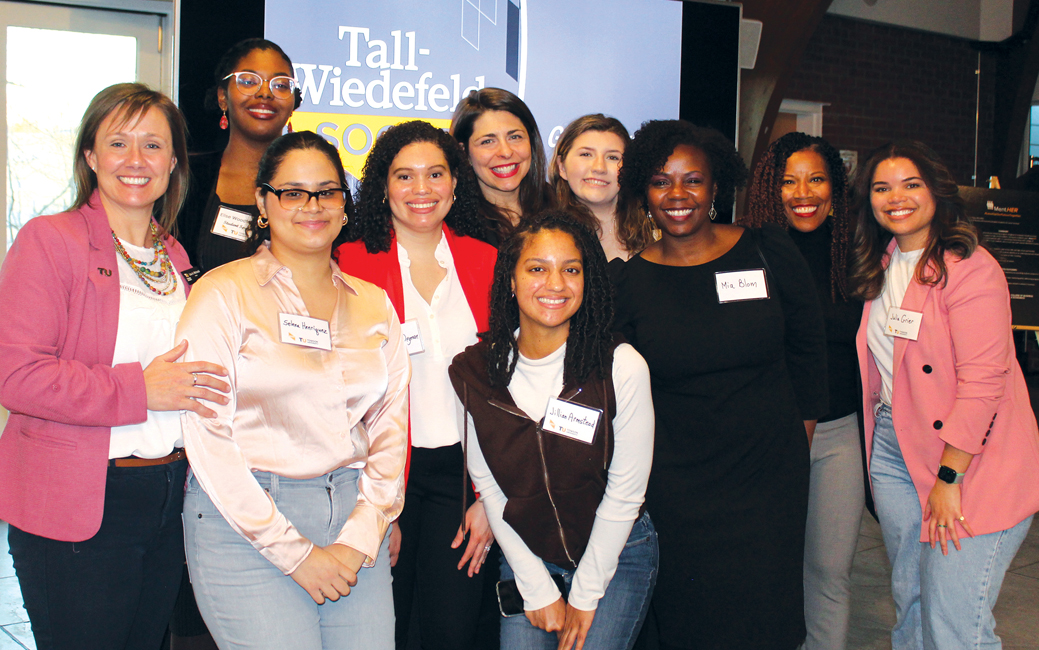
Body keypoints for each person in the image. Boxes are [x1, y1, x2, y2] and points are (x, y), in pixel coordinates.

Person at [0, 83, 229, 650]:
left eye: (152, 146)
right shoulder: (48, 241)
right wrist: (139, 389)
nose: (135, 161)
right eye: (118, 143)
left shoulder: (174, 258)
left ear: (173, 161)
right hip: (81, 505)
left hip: (168, 496)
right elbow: (17, 376)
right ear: (90, 157)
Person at [177, 131, 409, 650]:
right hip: (248, 519)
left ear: (345, 206)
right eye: (293, 192)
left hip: (354, 520)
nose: (313, 206)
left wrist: (360, 535)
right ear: (263, 201)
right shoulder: (222, 293)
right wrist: (296, 554)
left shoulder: (374, 304)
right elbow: (207, 437)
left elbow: (391, 431)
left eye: (327, 192)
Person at [609, 120, 828, 650]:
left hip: (767, 476)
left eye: (693, 180)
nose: (678, 195)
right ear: (644, 189)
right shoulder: (628, 282)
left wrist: (796, 444)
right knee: (689, 619)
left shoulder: (767, 251)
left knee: (764, 616)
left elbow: (808, 352)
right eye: (662, 181)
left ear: (715, 187)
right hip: (676, 487)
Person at [848, 140, 1039, 650]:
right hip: (895, 448)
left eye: (911, 185)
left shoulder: (971, 269)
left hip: (971, 458)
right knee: (911, 600)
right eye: (882, 187)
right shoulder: (883, 262)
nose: (897, 198)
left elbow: (984, 385)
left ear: (936, 190)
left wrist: (950, 475)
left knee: (955, 621)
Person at [449, 211, 657, 650]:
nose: (555, 284)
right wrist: (537, 587)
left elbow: (625, 494)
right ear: (511, 279)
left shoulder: (621, 366)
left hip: (617, 554)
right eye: (537, 268)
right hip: (528, 554)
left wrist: (584, 595)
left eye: (571, 270)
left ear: (588, 281)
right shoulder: (475, 372)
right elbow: (490, 488)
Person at [336, 119, 500, 650]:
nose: (421, 190)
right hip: (382, 474)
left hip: (464, 478)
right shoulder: (351, 263)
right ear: (383, 186)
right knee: (386, 631)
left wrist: (490, 501)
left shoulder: (489, 261)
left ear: (457, 183)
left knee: (451, 633)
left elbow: (509, 389)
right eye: (404, 176)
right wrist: (377, 504)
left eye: (435, 174)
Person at [741, 132, 863, 650]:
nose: (803, 192)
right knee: (766, 567)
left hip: (838, 433)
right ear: (770, 188)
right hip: (767, 435)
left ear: (835, 188)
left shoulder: (858, 258)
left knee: (828, 571)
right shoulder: (744, 253)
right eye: (788, 181)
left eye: (816, 179)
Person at [178, 38, 300, 275]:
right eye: (248, 81)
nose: (265, 93)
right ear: (222, 97)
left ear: (293, 101)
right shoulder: (187, 178)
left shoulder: (315, 185)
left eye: (280, 85)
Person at [450, 88, 552, 243]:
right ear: (464, 152)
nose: (505, 152)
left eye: (515, 137)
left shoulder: (561, 207)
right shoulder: (454, 225)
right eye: (488, 141)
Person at [550, 114, 654, 261]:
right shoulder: (546, 234)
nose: (599, 168)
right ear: (562, 167)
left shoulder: (655, 229)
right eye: (586, 154)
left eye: (612, 157)